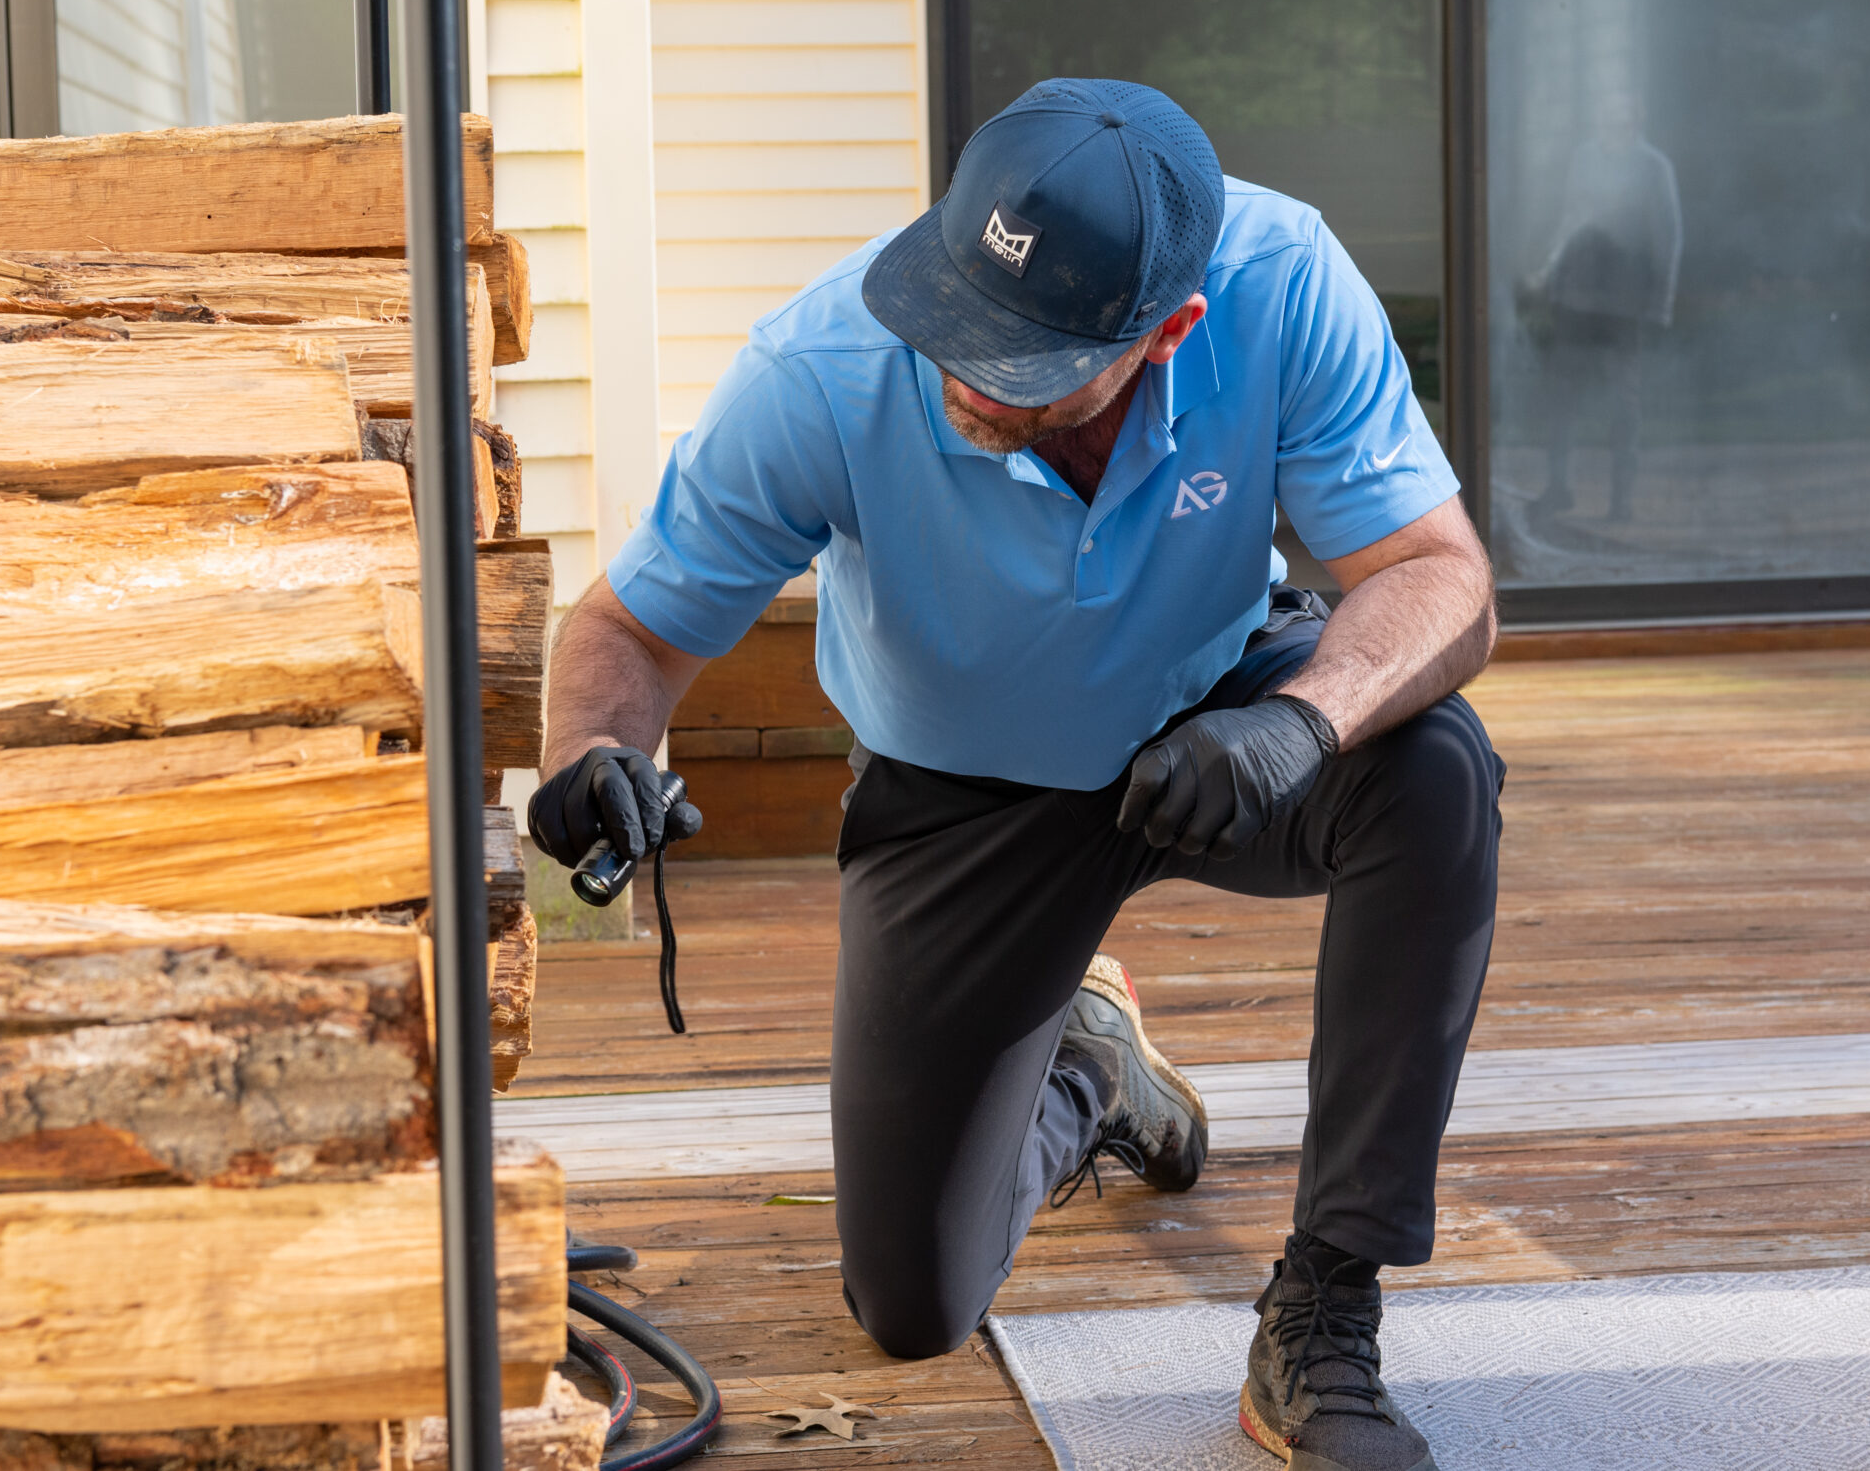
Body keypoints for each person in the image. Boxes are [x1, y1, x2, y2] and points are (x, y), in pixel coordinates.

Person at [530, 78, 1503, 1471]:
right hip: (962, 788)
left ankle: (1325, 1299)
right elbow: (624, 631)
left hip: (1218, 724)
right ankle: (1090, 1079)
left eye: (1026, 357)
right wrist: (594, 754)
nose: (970, 374)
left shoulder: (1283, 280)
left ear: (1170, 330)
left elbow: (1442, 579)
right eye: (957, 323)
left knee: (1437, 773)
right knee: (914, 1303)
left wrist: (1298, 723)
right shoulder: (821, 371)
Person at [1514, 90, 1682, 524]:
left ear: (1634, 118)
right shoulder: (1585, 160)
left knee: (1623, 405)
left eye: (1620, 115)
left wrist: (1660, 303)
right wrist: (1548, 274)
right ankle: (1558, 487)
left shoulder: (1653, 168)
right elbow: (1570, 221)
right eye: (1606, 114)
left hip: (1624, 308)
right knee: (1562, 399)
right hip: (1575, 301)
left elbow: (1667, 237)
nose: (1612, 122)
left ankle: (1621, 499)